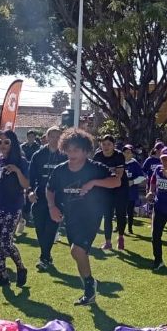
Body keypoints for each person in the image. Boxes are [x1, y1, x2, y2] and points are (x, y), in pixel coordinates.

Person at [47, 128, 121, 306]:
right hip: (70, 216)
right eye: (69, 150)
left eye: (76, 150)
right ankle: (90, 284)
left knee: (77, 250)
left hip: (91, 215)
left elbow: (116, 181)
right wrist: (52, 207)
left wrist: (94, 182)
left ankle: (89, 288)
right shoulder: (60, 170)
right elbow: (50, 189)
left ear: (85, 151)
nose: (71, 154)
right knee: (77, 252)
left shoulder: (95, 168)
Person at [0, 130, 30, 287]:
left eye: (6, 142)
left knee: (5, 243)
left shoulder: (21, 161)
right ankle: (3, 277)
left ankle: (21, 268)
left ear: (13, 143)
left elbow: (26, 185)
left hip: (12, 206)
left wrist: (16, 170)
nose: (2, 145)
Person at [30, 127, 67, 270]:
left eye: (58, 136)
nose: (55, 139)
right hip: (40, 196)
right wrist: (30, 192)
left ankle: (44, 258)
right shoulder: (38, 155)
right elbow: (31, 176)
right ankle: (46, 256)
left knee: (51, 229)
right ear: (47, 137)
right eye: (52, 136)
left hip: (57, 198)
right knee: (40, 228)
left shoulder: (64, 155)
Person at [93, 135, 128, 250]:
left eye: (109, 144)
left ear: (113, 145)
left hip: (120, 187)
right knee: (107, 215)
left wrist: (106, 177)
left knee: (120, 214)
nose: (106, 147)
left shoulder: (118, 156)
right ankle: (108, 242)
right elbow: (95, 173)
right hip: (105, 188)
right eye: (104, 144)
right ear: (100, 145)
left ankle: (121, 237)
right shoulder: (97, 156)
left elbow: (118, 176)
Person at [123, 145, 146, 235]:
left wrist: (133, 182)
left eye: (129, 152)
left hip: (131, 192)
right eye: (125, 152)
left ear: (132, 154)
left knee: (130, 211)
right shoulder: (120, 163)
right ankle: (120, 226)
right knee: (120, 210)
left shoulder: (135, 164)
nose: (127, 154)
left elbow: (141, 177)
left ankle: (130, 228)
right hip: (121, 192)